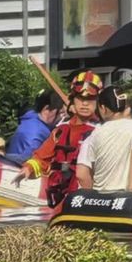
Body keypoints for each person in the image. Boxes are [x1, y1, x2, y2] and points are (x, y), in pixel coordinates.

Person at [17, 71, 103, 206]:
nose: (85, 104)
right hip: (59, 194)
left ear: (98, 102)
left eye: (90, 99)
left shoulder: (101, 131)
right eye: (80, 98)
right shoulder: (61, 129)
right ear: (72, 99)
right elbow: (42, 157)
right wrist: (28, 169)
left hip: (87, 197)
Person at [76, 86, 132, 192]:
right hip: (125, 195)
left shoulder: (96, 132)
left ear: (103, 108)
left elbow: (87, 170)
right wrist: (131, 187)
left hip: (100, 194)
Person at [6, 90, 64, 165]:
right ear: (46, 109)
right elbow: (27, 161)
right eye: (59, 113)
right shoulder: (39, 134)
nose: (60, 117)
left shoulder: (30, 117)